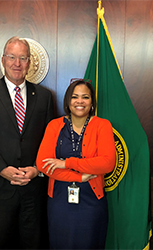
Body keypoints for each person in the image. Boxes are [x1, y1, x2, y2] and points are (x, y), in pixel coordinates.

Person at [0, 36, 54, 250]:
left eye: (23, 58)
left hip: (32, 190)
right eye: (12, 57)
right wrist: (2, 169)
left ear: (29, 62)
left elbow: (49, 139)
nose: (17, 63)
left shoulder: (44, 96)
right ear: (3, 59)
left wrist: (37, 169)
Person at [36, 79, 116, 250]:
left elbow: (107, 163)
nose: (80, 101)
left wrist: (66, 164)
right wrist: (79, 176)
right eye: (75, 97)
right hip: (59, 201)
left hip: (92, 202)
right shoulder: (54, 125)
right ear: (68, 101)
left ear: (92, 102)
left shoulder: (103, 125)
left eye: (85, 97)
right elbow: (43, 165)